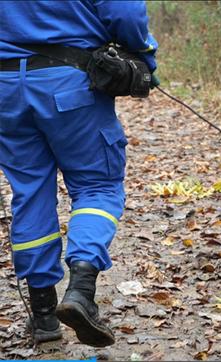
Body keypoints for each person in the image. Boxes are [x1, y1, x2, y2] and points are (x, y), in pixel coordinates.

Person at [0, 1, 157, 347]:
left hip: (6, 88)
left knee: (30, 193)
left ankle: (43, 317)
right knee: (98, 186)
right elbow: (126, 14)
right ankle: (81, 292)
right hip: (70, 81)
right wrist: (144, 56)